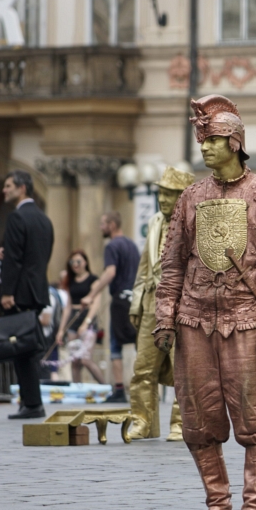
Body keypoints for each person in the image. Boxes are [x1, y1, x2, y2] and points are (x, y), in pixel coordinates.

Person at [154, 94, 256, 510]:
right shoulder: (191, 197)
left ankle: (254, 509)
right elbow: (173, 262)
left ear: (236, 142)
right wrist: (165, 314)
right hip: (194, 320)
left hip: (247, 321)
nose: (206, 148)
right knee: (198, 420)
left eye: (214, 140)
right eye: (203, 140)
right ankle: (219, 506)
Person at [127, 166, 194, 440]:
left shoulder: (194, 225)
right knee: (143, 367)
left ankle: (181, 423)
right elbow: (144, 267)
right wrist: (135, 303)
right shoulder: (155, 222)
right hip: (151, 303)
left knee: (182, 368)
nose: (163, 200)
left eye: (169, 195)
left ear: (182, 197)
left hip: (181, 306)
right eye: (161, 194)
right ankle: (141, 420)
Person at [0, 170, 54, 419]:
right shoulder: (44, 220)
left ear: (22, 188)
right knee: (28, 348)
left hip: (19, 294)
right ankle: (30, 401)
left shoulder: (16, 217)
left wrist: (7, 292)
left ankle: (31, 403)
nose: (4, 190)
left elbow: (15, 259)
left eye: (8, 185)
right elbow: (35, 257)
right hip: (37, 292)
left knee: (22, 350)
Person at [82, 211, 140, 403]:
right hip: (136, 299)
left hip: (120, 301)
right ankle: (144, 387)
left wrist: (92, 294)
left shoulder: (112, 246)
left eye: (103, 224)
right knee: (139, 342)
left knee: (116, 345)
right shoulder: (132, 246)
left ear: (112, 225)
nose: (100, 228)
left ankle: (119, 390)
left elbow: (110, 272)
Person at [56, 251, 106, 385]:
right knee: (75, 361)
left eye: (78, 261)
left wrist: (86, 322)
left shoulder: (93, 280)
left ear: (85, 262)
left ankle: (106, 387)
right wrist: (61, 330)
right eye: (72, 262)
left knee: (85, 359)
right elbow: (67, 307)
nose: (75, 265)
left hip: (88, 319)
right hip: (73, 318)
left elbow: (96, 303)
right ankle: (77, 390)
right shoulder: (70, 281)